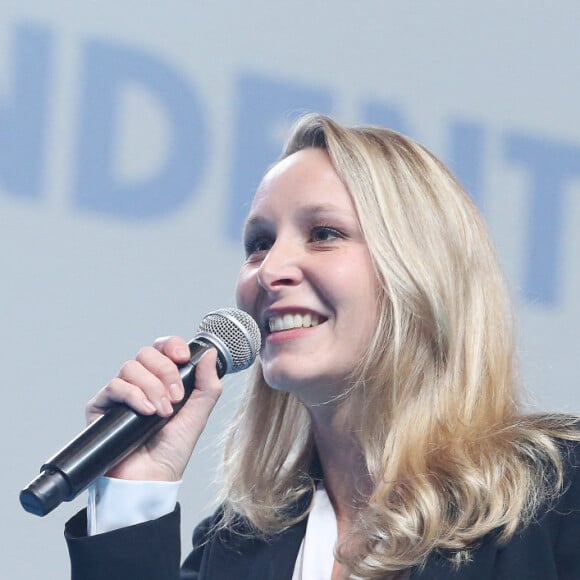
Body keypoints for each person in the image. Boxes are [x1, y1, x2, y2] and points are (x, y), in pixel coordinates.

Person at [64, 114, 580, 579]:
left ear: (423, 274)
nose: (269, 270)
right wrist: (136, 490)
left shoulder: (561, 499)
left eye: (324, 234)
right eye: (259, 244)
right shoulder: (231, 550)